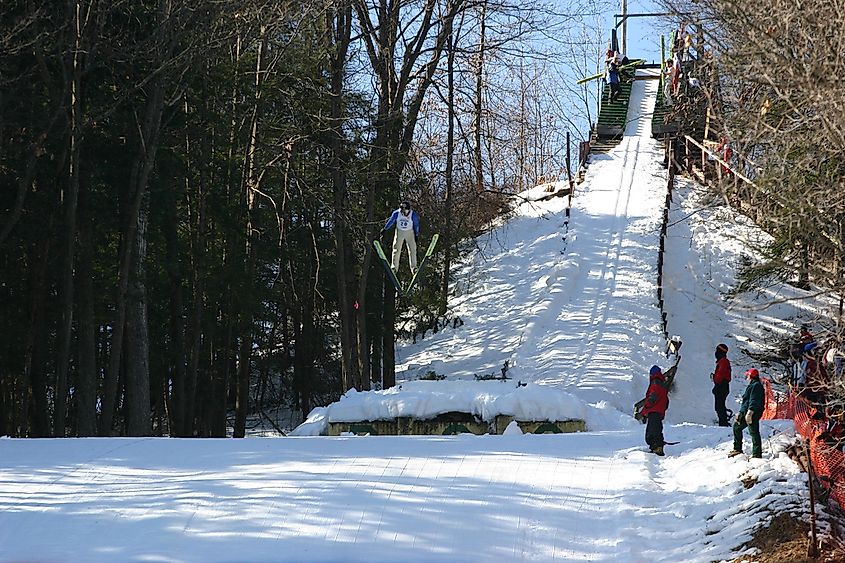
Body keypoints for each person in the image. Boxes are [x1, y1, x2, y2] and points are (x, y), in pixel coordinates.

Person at [728, 368, 765, 458]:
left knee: (753, 431)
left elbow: (754, 400)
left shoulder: (756, 386)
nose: (746, 377)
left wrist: (750, 412)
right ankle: (737, 449)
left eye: (747, 375)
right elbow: (746, 401)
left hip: (753, 413)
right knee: (737, 427)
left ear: (751, 376)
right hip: (746, 412)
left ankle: (757, 454)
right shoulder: (752, 385)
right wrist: (741, 413)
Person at [639, 365, 670, 456]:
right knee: (656, 429)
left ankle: (657, 448)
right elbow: (666, 400)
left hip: (654, 411)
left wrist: (646, 409)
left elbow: (652, 398)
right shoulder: (661, 383)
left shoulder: (655, 383)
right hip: (659, 411)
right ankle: (657, 447)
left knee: (652, 431)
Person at [382, 200, 420, 273]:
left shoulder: (413, 215)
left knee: (412, 249)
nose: (405, 213)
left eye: (406, 211)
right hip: (399, 231)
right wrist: (385, 229)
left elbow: (416, 225)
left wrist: (416, 234)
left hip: (409, 232)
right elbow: (391, 221)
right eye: (403, 211)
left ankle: (414, 268)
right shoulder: (397, 213)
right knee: (396, 248)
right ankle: (394, 267)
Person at [711, 343, 732, 426]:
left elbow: (720, 375)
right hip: (723, 386)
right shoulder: (723, 361)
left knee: (719, 406)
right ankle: (723, 421)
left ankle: (723, 423)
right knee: (720, 406)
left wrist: (715, 379)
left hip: (721, 386)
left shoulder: (723, 362)